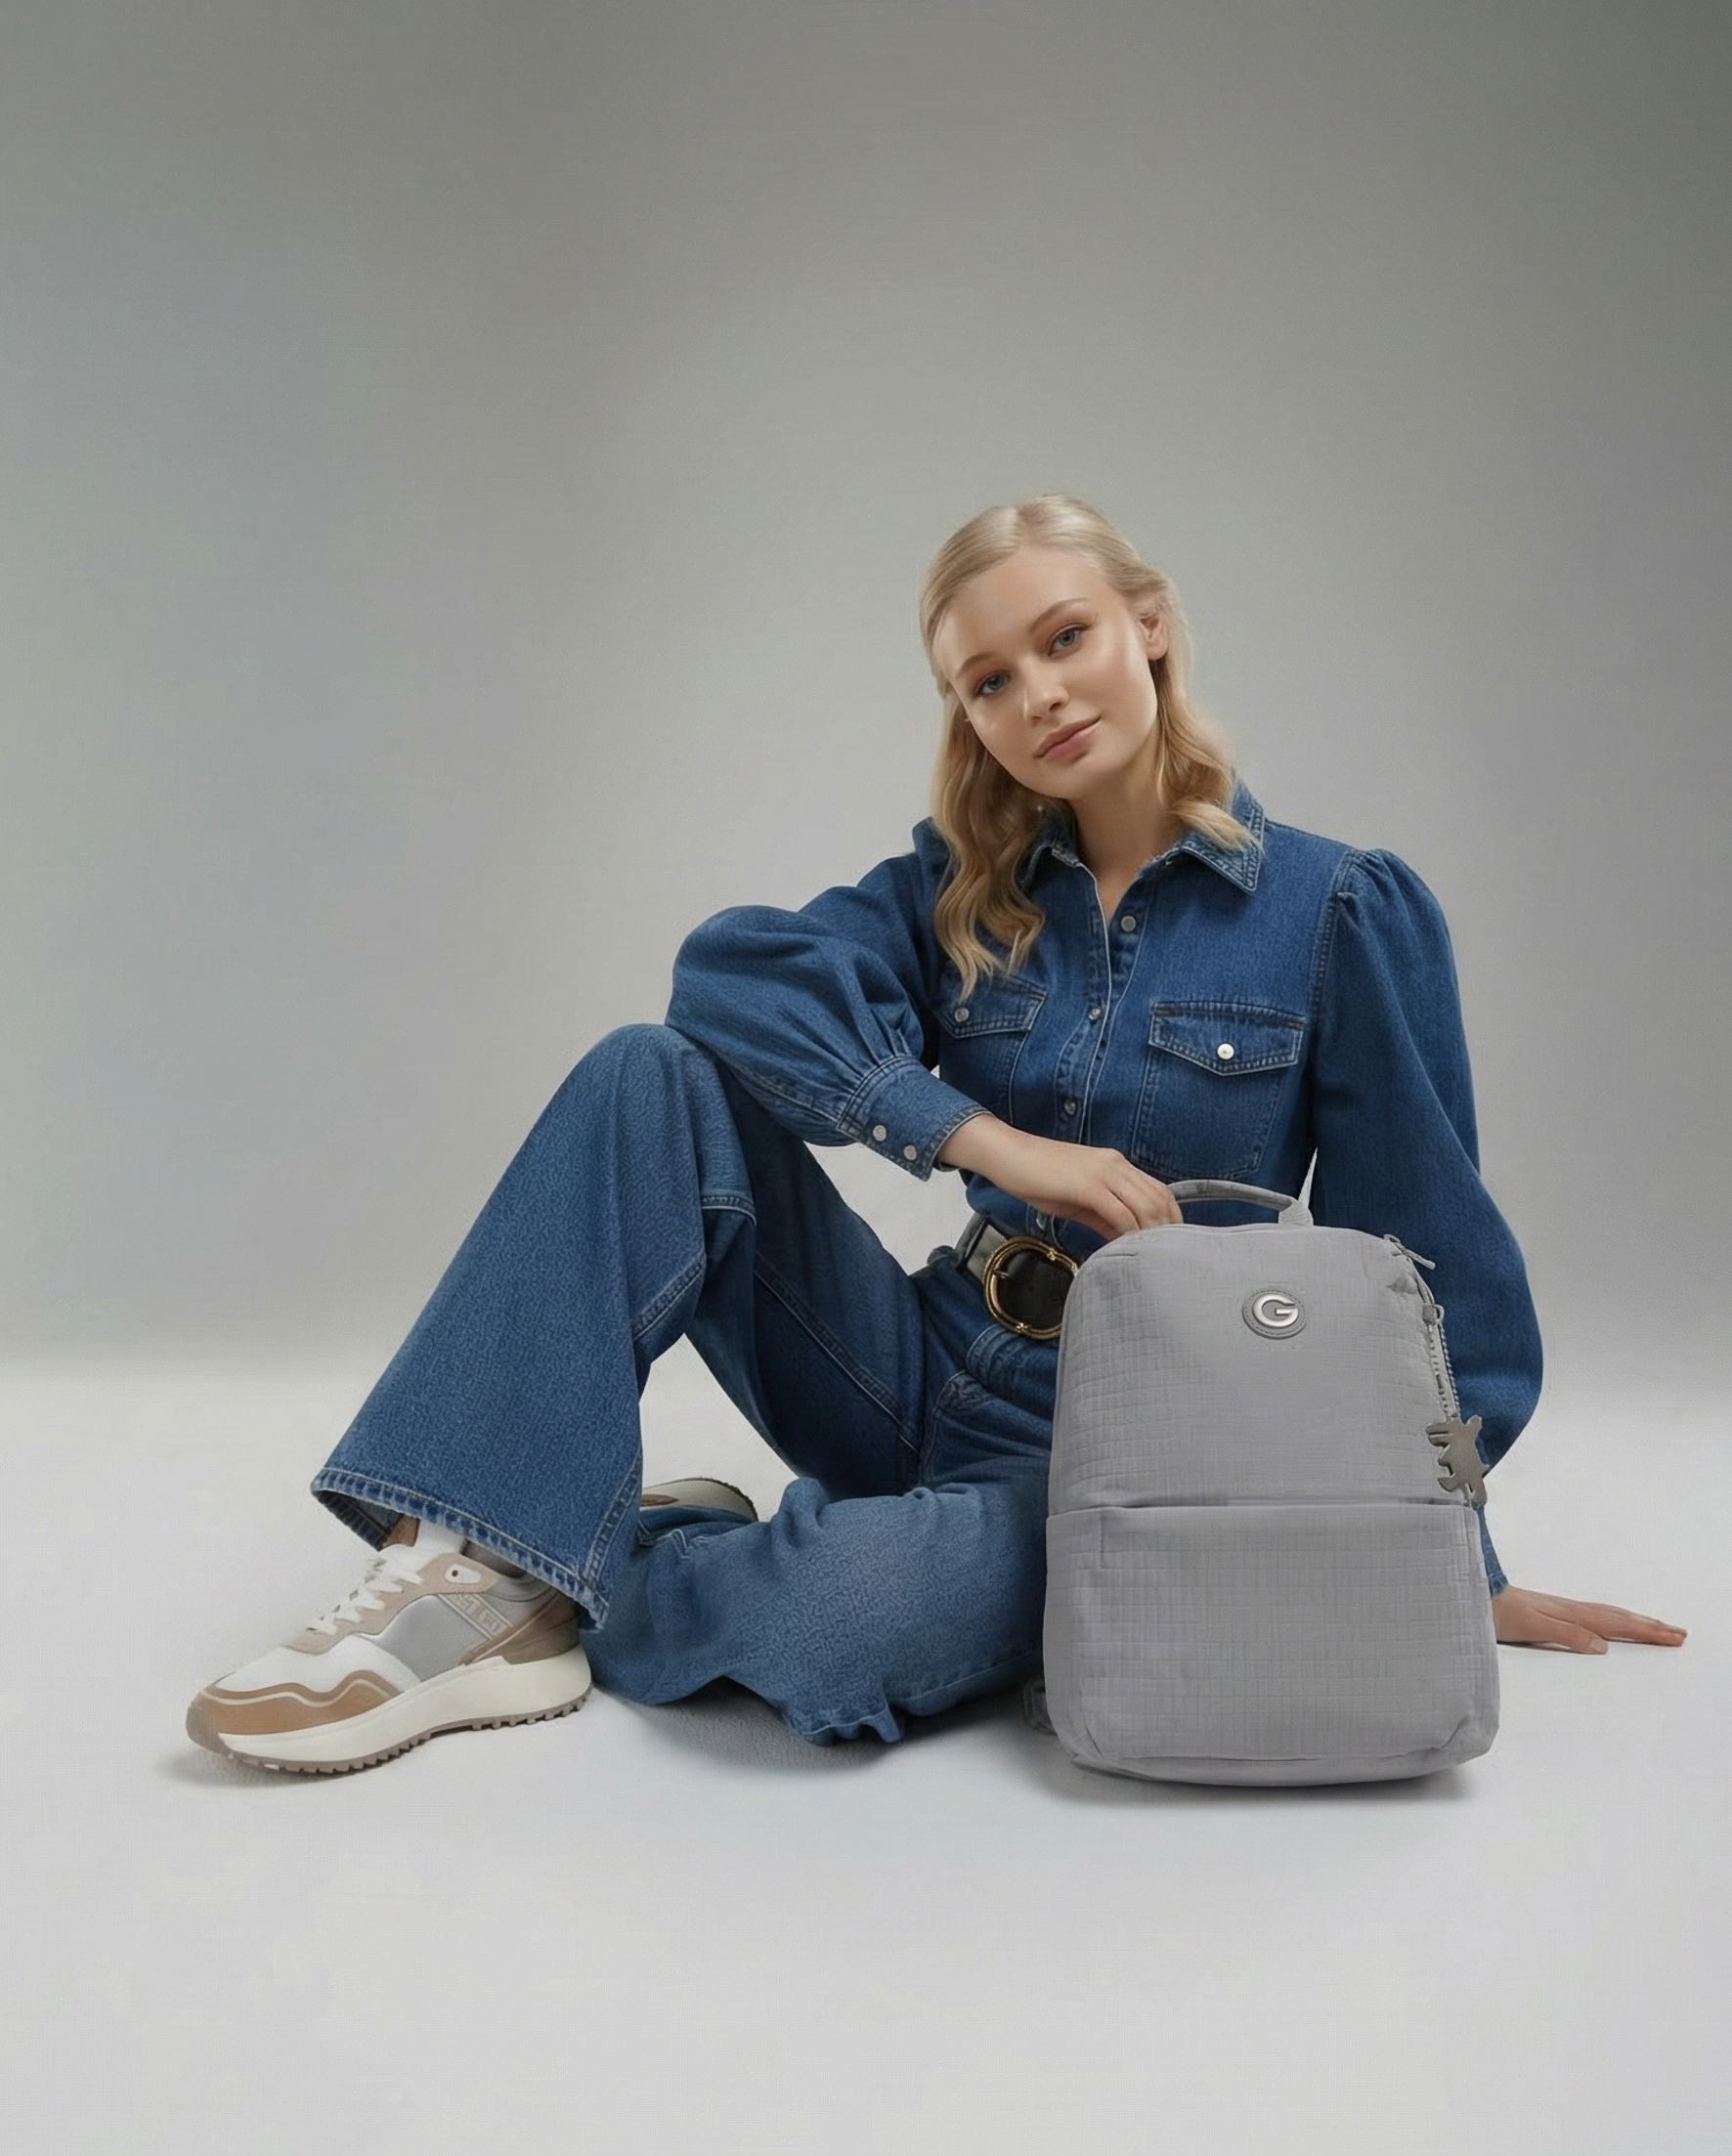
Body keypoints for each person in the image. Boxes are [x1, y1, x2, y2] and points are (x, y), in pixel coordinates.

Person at [186, 495, 1686, 1775]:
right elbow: (728, 980)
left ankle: (562, 1535)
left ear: (1150, 624)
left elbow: (1428, 1277)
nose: (1037, 694)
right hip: (910, 1359)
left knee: (839, 1625)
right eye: (987, 681)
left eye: (1065, 637)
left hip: (1122, 1453)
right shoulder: (958, 892)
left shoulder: (1339, 908)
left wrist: (1444, 1551)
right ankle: (470, 1583)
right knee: (648, 1074)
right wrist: (978, 1138)